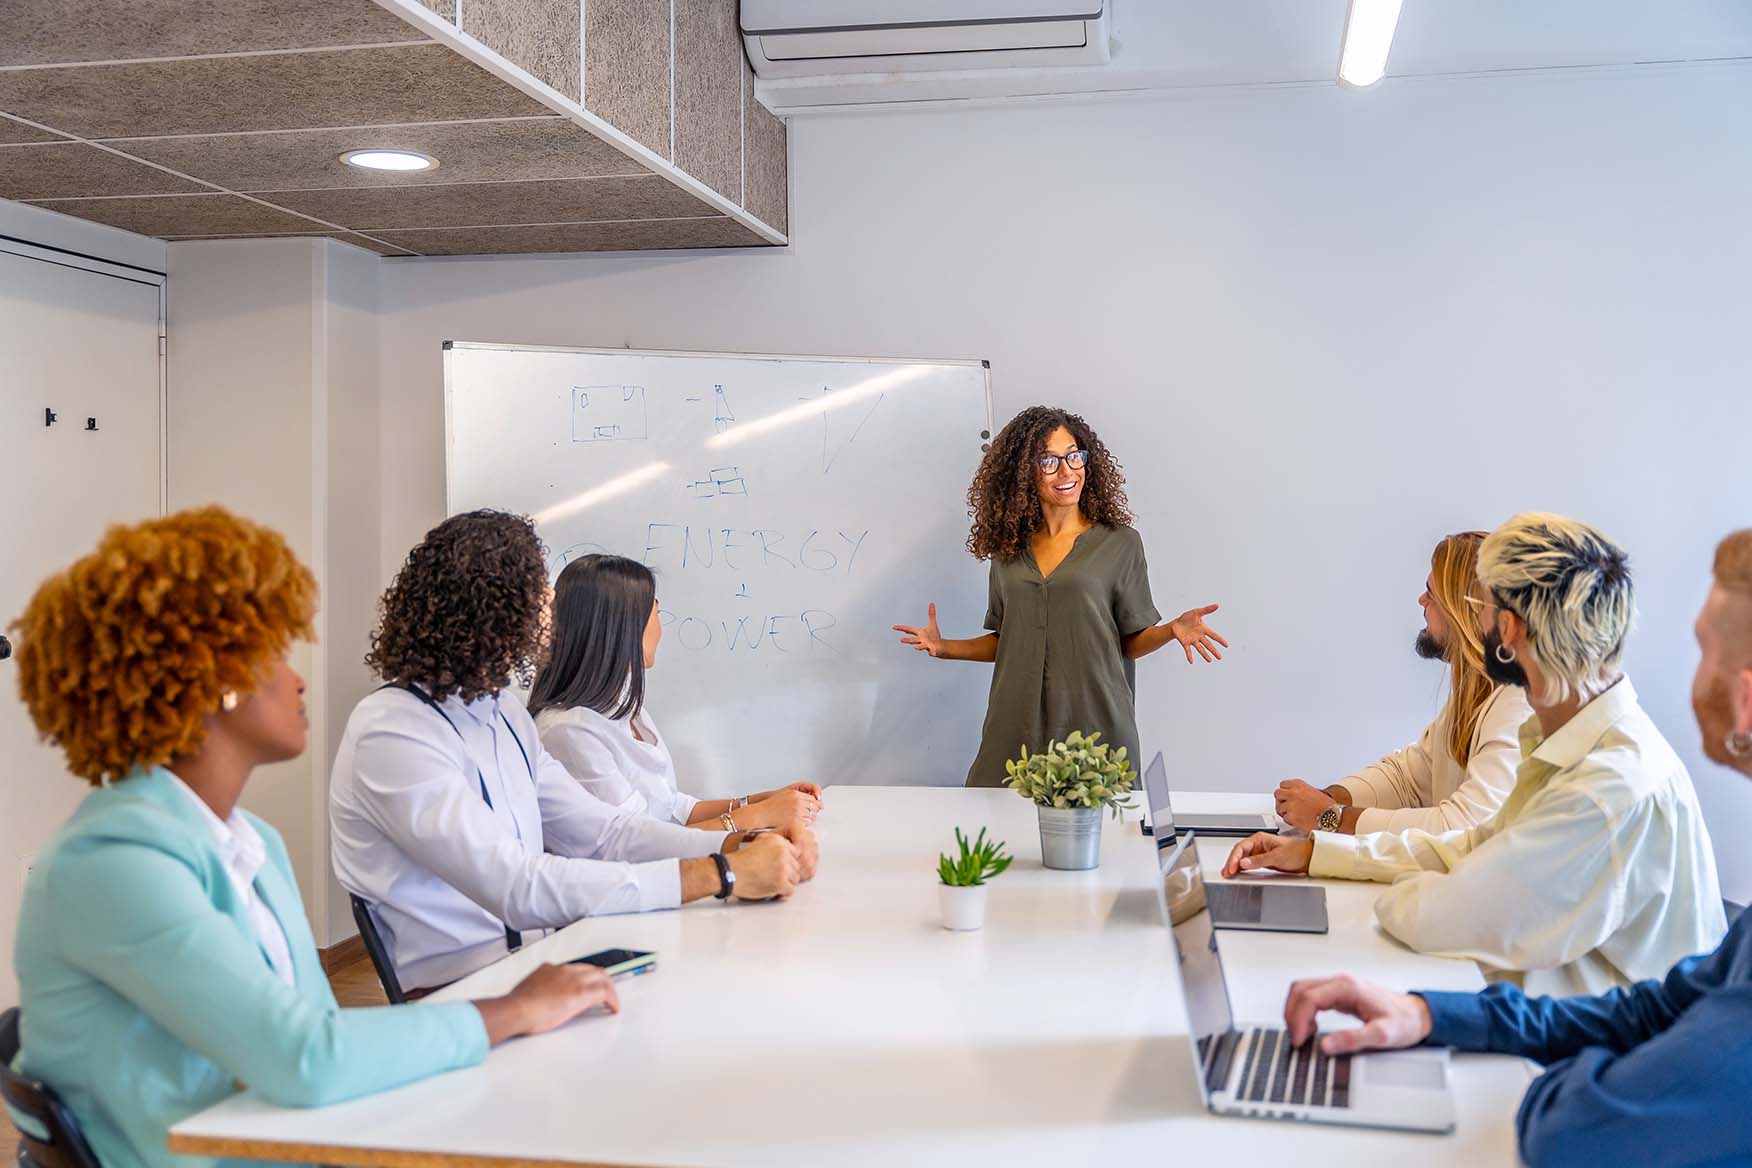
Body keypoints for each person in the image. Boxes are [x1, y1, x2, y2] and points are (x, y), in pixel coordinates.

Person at [9, 507, 619, 1168]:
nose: (296, 678)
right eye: (271, 654)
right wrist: (517, 1010)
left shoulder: (254, 843)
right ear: (203, 676)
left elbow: (314, 1038)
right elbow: (308, 1057)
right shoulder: (111, 867)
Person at [1276, 528, 1752, 1168]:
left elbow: (1573, 1132)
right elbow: (1653, 1009)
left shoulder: (1606, 788)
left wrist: (1413, 869)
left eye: (1479, 600)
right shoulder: (1556, 745)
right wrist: (1430, 1014)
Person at [1224, 513, 1724, 995]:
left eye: (1478, 604)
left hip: (1604, 1056)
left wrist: (1345, 839)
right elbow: (1471, 846)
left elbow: (1443, 915)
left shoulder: (1603, 787)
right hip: (1555, 1020)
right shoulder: (1570, 739)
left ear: (1507, 630)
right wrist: (1319, 852)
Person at [330, 511, 817, 993]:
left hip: (546, 958)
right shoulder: (392, 731)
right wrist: (723, 873)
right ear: (496, 609)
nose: (551, 611)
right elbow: (517, 885)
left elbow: (608, 834)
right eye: (540, 595)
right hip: (466, 989)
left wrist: (737, 846)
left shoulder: (504, 715)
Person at [893, 405, 1227, 787]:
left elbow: (1130, 641)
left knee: (1101, 837)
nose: (1067, 470)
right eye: (1049, 461)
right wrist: (943, 647)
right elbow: (1010, 641)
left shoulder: (1120, 543)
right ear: (1023, 472)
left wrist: (1171, 630)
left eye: (1073, 455)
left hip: (1095, 726)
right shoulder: (1008, 551)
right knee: (1000, 833)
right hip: (1015, 728)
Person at [528, 553, 824, 833]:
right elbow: (635, 839)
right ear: (624, 627)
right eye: (655, 609)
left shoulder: (620, 703)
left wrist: (762, 801)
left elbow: (671, 807)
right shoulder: (569, 731)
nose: (660, 624)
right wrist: (757, 817)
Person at [1273, 532, 1530, 835]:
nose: (1422, 601)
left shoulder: (1517, 702)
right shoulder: (1475, 694)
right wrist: (1326, 799)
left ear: (1466, 611)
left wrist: (1331, 817)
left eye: (1431, 594)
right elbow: (1408, 777)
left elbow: (1465, 825)